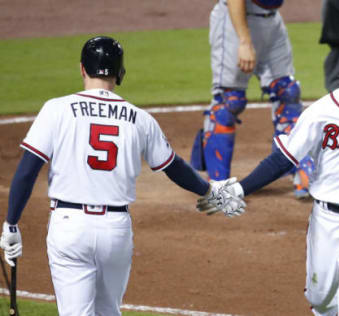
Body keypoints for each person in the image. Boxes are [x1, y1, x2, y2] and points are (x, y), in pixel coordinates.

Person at [0, 36, 245, 316]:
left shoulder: (56, 109)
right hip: (115, 230)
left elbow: (27, 170)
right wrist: (209, 190)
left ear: (82, 69)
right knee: (109, 311)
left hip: (69, 227)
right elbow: (173, 166)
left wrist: (11, 223)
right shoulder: (139, 118)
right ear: (121, 73)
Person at [199, 37, 339, 315]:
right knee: (322, 301)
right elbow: (282, 159)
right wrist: (240, 189)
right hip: (327, 221)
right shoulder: (323, 112)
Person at [190, 0, 314, 199]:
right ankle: (217, 186)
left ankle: (297, 169)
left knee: (288, 92)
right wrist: (245, 42)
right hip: (236, 22)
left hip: (272, 21)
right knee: (229, 101)